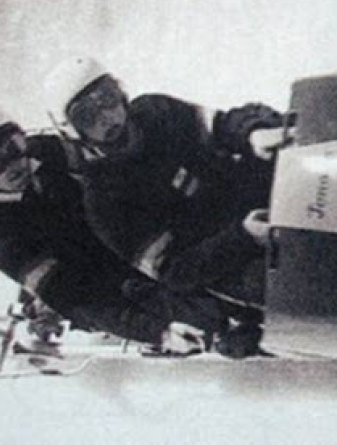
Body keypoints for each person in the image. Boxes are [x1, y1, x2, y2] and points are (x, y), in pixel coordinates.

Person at [0, 101, 231, 355]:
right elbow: (79, 299)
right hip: (86, 276)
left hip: (118, 234)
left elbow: (116, 167)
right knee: (182, 302)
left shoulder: (46, 151)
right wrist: (157, 331)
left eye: (14, 146)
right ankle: (43, 305)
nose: (13, 164)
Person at [42, 57, 286, 314]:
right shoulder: (104, 203)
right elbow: (175, 270)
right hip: (225, 256)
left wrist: (252, 132)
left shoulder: (155, 111)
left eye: (107, 99)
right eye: (87, 116)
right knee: (278, 280)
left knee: (283, 138)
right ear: (73, 130)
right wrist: (243, 238)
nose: (106, 117)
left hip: (244, 195)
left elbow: (221, 125)